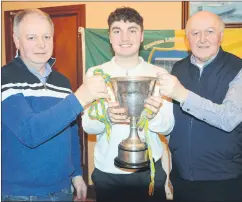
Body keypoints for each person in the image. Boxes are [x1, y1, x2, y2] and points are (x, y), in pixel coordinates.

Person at [1, 9, 109, 201]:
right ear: (17, 41)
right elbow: (30, 132)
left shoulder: (62, 82)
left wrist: (76, 174)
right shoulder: (6, 78)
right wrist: (79, 98)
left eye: (47, 36)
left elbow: (70, 134)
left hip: (63, 189)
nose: (41, 44)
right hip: (20, 194)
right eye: (32, 37)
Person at [81, 7, 174, 202]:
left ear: (141, 36)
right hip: (108, 172)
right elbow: (87, 126)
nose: (125, 37)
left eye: (132, 30)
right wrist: (105, 116)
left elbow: (168, 127)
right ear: (109, 36)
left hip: (149, 171)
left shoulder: (159, 75)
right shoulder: (95, 74)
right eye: (117, 31)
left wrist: (152, 115)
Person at [158, 11, 242, 202]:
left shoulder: (238, 68)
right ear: (187, 39)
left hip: (223, 180)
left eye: (209, 32)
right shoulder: (178, 69)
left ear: (221, 36)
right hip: (182, 178)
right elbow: (173, 119)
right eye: (195, 33)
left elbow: (229, 118)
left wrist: (183, 95)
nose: (202, 39)